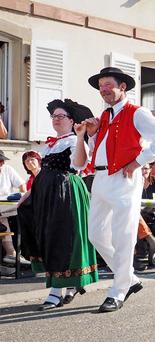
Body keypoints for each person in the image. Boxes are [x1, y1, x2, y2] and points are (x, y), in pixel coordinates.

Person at [73, 66, 155, 313]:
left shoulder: (136, 112)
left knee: (123, 235)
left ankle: (118, 290)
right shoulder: (105, 116)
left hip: (124, 177)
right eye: (101, 86)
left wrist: (139, 161)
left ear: (122, 87)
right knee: (95, 234)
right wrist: (93, 136)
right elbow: (102, 148)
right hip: (101, 176)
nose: (104, 89)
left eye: (108, 84)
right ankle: (129, 278)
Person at [18, 99, 99, 310]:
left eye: (60, 116)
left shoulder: (74, 141)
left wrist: (81, 137)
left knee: (63, 238)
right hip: (47, 194)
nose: (56, 119)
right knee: (47, 237)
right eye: (53, 116)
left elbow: (77, 166)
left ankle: (58, 290)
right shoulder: (49, 145)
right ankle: (67, 286)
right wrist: (28, 194)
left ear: (72, 120)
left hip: (66, 193)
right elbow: (41, 174)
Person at [0, 149, 26, 265]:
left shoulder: (7, 169)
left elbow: (21, 185)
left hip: (7, 206)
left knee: (4, 217)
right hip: (3, 209)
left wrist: (22, 196)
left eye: (2, 161)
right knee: (2, 219)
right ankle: (10, 253)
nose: (2, 163)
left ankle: (11, 253)